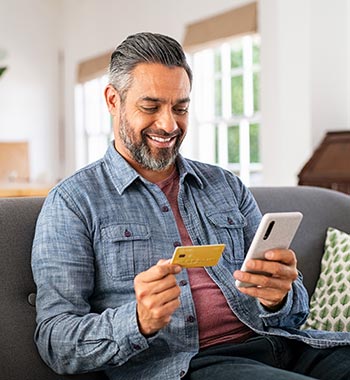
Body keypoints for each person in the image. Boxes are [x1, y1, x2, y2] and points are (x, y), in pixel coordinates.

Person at [31, 32, 350, 380]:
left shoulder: (225, 185)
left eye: (180, 108)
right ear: (113, 100)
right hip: (189, 364)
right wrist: (137, 320)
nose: (169, 125)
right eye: (150, 107)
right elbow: (56, 342)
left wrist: (280, 297)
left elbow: (294, 313)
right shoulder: (73, 202)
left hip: (283, 344)